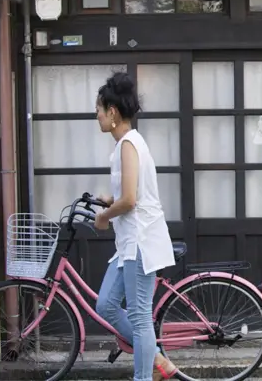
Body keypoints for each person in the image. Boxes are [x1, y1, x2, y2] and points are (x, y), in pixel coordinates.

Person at [93, 72, 178, 381]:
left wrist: (105, 216)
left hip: (140, 241)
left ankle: (144, 377)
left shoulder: (129, 144)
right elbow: (129, 194)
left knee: (141, 320)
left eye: (99, 110)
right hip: (128, 243)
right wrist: (108, 199)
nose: (97, 117)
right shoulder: (127, 144)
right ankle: (158, 361)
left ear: (113, 112)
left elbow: (130, 200)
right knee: (106, 305)